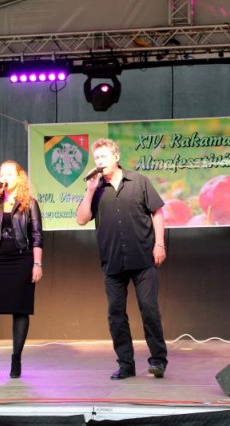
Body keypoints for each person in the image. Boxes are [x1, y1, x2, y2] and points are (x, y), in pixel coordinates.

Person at [76, 138, 168, 380]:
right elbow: (81, 219)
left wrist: (159, 243)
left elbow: (157, 212)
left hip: (143, 258)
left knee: (149, 310)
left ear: (116, 157)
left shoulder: (139, 181)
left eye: (104, 156)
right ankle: (126, 365)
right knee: (116, 315)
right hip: (112, 261)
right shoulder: (95, 189)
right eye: (96, 158)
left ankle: (158, 360)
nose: (100, 161)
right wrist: (90, 190)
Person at [0, 160, 43, 379]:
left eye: (10, 174)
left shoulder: (29, 203)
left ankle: (16, 358)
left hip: (21, 259)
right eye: (2, 173)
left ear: (19, 177)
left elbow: (37, 236)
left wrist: (37, 264)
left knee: (20, 310)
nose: (5, 177)